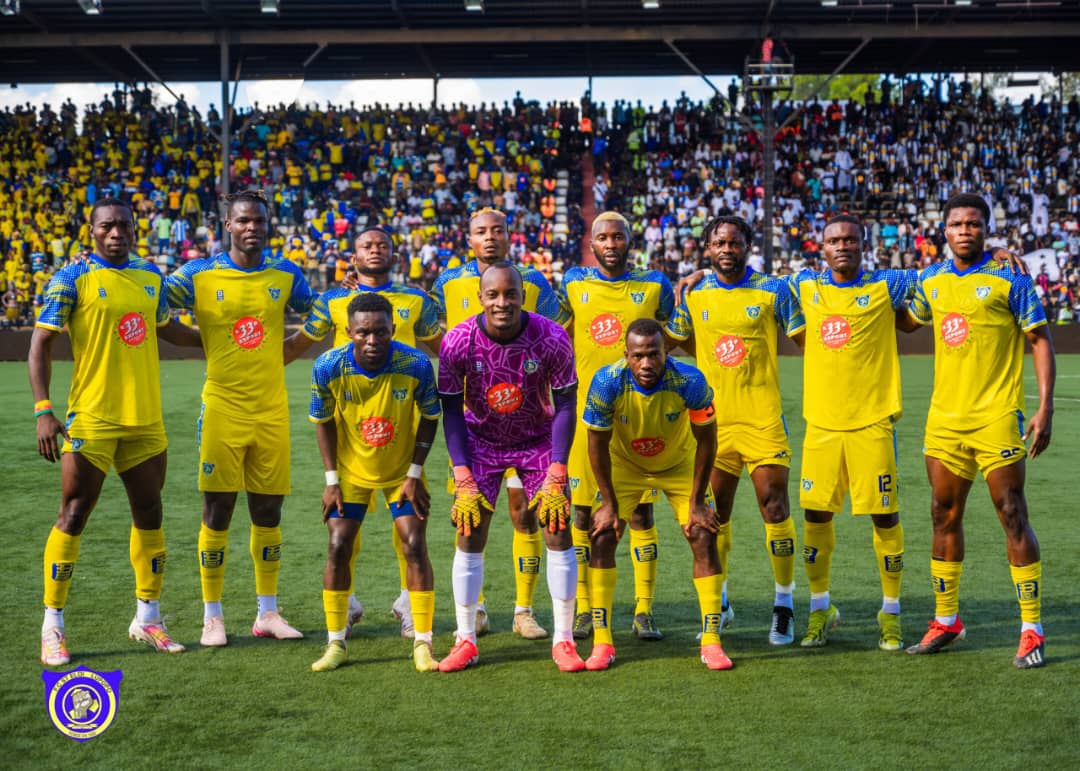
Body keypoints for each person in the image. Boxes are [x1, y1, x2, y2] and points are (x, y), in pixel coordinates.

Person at [30, 197, 202, 665]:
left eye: (123, 225)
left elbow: (169, 329)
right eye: (107, 226)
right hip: (92, 417)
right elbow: (40, 342)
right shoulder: (72, 277)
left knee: (149, 511)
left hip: (145, 420)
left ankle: (148, 618)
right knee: (74, 512)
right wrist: (44, 409)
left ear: (133, 229)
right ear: (92, 231)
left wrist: (216, 339)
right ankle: (52, 625)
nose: (116, 233)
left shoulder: (150, 276)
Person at [902, 193, 1055, 668]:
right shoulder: (931, 279)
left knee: (1012, 512)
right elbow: (906, 321)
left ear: (986, 229)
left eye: (973, 223)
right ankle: (946, 619)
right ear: (944, 231)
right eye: (957, 224)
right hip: (945, 421)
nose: (964, 230)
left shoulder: (1011, 276)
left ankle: (1032, 628)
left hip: (996, 416)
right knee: (942, 514)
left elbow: (1039, 339)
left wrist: (1045, 407)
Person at [165, 189, 317, 647]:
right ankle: (212, 616)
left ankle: (267, 612)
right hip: (222, 408)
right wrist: (202, 342)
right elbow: (151, 303)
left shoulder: (286, 273)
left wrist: (289, 349)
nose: (253, 227)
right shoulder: (197, 274)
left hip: (270, 411)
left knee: (268, 511)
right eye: (244, 220)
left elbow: (320, 313)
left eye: (260, 221)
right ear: (227, 225)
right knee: (218, 511)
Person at [285, 225, 441, 638]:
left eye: (383, 245)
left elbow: (442, 346)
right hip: (350, 430)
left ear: (395, 254)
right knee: (343, 530)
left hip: (400, 423)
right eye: (366, 246)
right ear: (353, 256)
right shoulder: (333, 300)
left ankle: (408, 601)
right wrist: (258, 367)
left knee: (408, 526)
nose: (375, 250)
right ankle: (347, 602)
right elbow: (301, 342)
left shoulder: (415, 299)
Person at [436, 262, 583, 672]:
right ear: (480, 298)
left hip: (537, 440)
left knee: (557, 525)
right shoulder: (457, 340)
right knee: (469, 530)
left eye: (510, 293)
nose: (502, 302)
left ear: (523, 295)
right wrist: (461, 473)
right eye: (493, 294)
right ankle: (466, 639)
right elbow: (451, 410)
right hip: (481, 441)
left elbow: (566, 405)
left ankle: (564, 639)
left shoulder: (551, 336)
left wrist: (558, 467)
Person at [667, 215, 805, 645]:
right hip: (714, 424)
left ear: (747, 245)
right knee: (714, 516)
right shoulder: (694, 293)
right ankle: (721, 603)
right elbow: (672, 339)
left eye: (734, 242)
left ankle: (784, 605)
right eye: (719, 243)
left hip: (763, 419)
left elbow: (806, 337)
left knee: (775, 509)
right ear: (708, 249)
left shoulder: (773, 289)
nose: (727, 249)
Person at [787, 215, 910, 650]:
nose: (843, 246)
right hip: (821, 425)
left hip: (872, 423)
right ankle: (820, 608)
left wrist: (994, 256)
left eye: (851, 240)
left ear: (864, 244)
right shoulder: (805, 285)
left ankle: (890, 612)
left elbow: (941, 275)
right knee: (815, 516)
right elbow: (751, 282)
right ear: (822, 248)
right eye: (834, 240)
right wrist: (703, 273)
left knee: (885, 516)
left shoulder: (887, 285)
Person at [583, 318, 727, 670]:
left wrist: (696, 502)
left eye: (654, 354)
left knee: (703, 534)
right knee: (602, 535)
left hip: (679, 465)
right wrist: (608, 504)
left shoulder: (689, 380)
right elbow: (596, 446)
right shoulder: (606, 382)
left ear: (666, 352)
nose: (646, 363)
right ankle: (602, 642)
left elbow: (708, 441)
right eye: (638, 356)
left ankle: (711, 641)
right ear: (626, 355)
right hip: (626, 466)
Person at [308, 293, 441, 672]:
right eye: (363, 332)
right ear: (348, 331)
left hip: (401, 472)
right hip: (351, 472)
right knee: (338, 545)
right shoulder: (328, 365)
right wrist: (331, 480)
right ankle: (335, 642)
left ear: (392, 329)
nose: (372, 340)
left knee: (414, 543)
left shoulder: (415, 364)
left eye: (380, 332)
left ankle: (423, 642)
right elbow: (323, 422)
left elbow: (430, 417)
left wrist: (414, 474)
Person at [560, 211, 675, 641]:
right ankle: (584, 608)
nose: (611, 244)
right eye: (603, 237)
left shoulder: (655, 285)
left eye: (618, 236)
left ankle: (644, 609)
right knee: (581, 512)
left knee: (641, 512)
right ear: (592, 243)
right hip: (584, 417)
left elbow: (674, 334)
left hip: (637, 417)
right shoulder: (574, 282)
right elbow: (551, 326)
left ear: (630, 240)